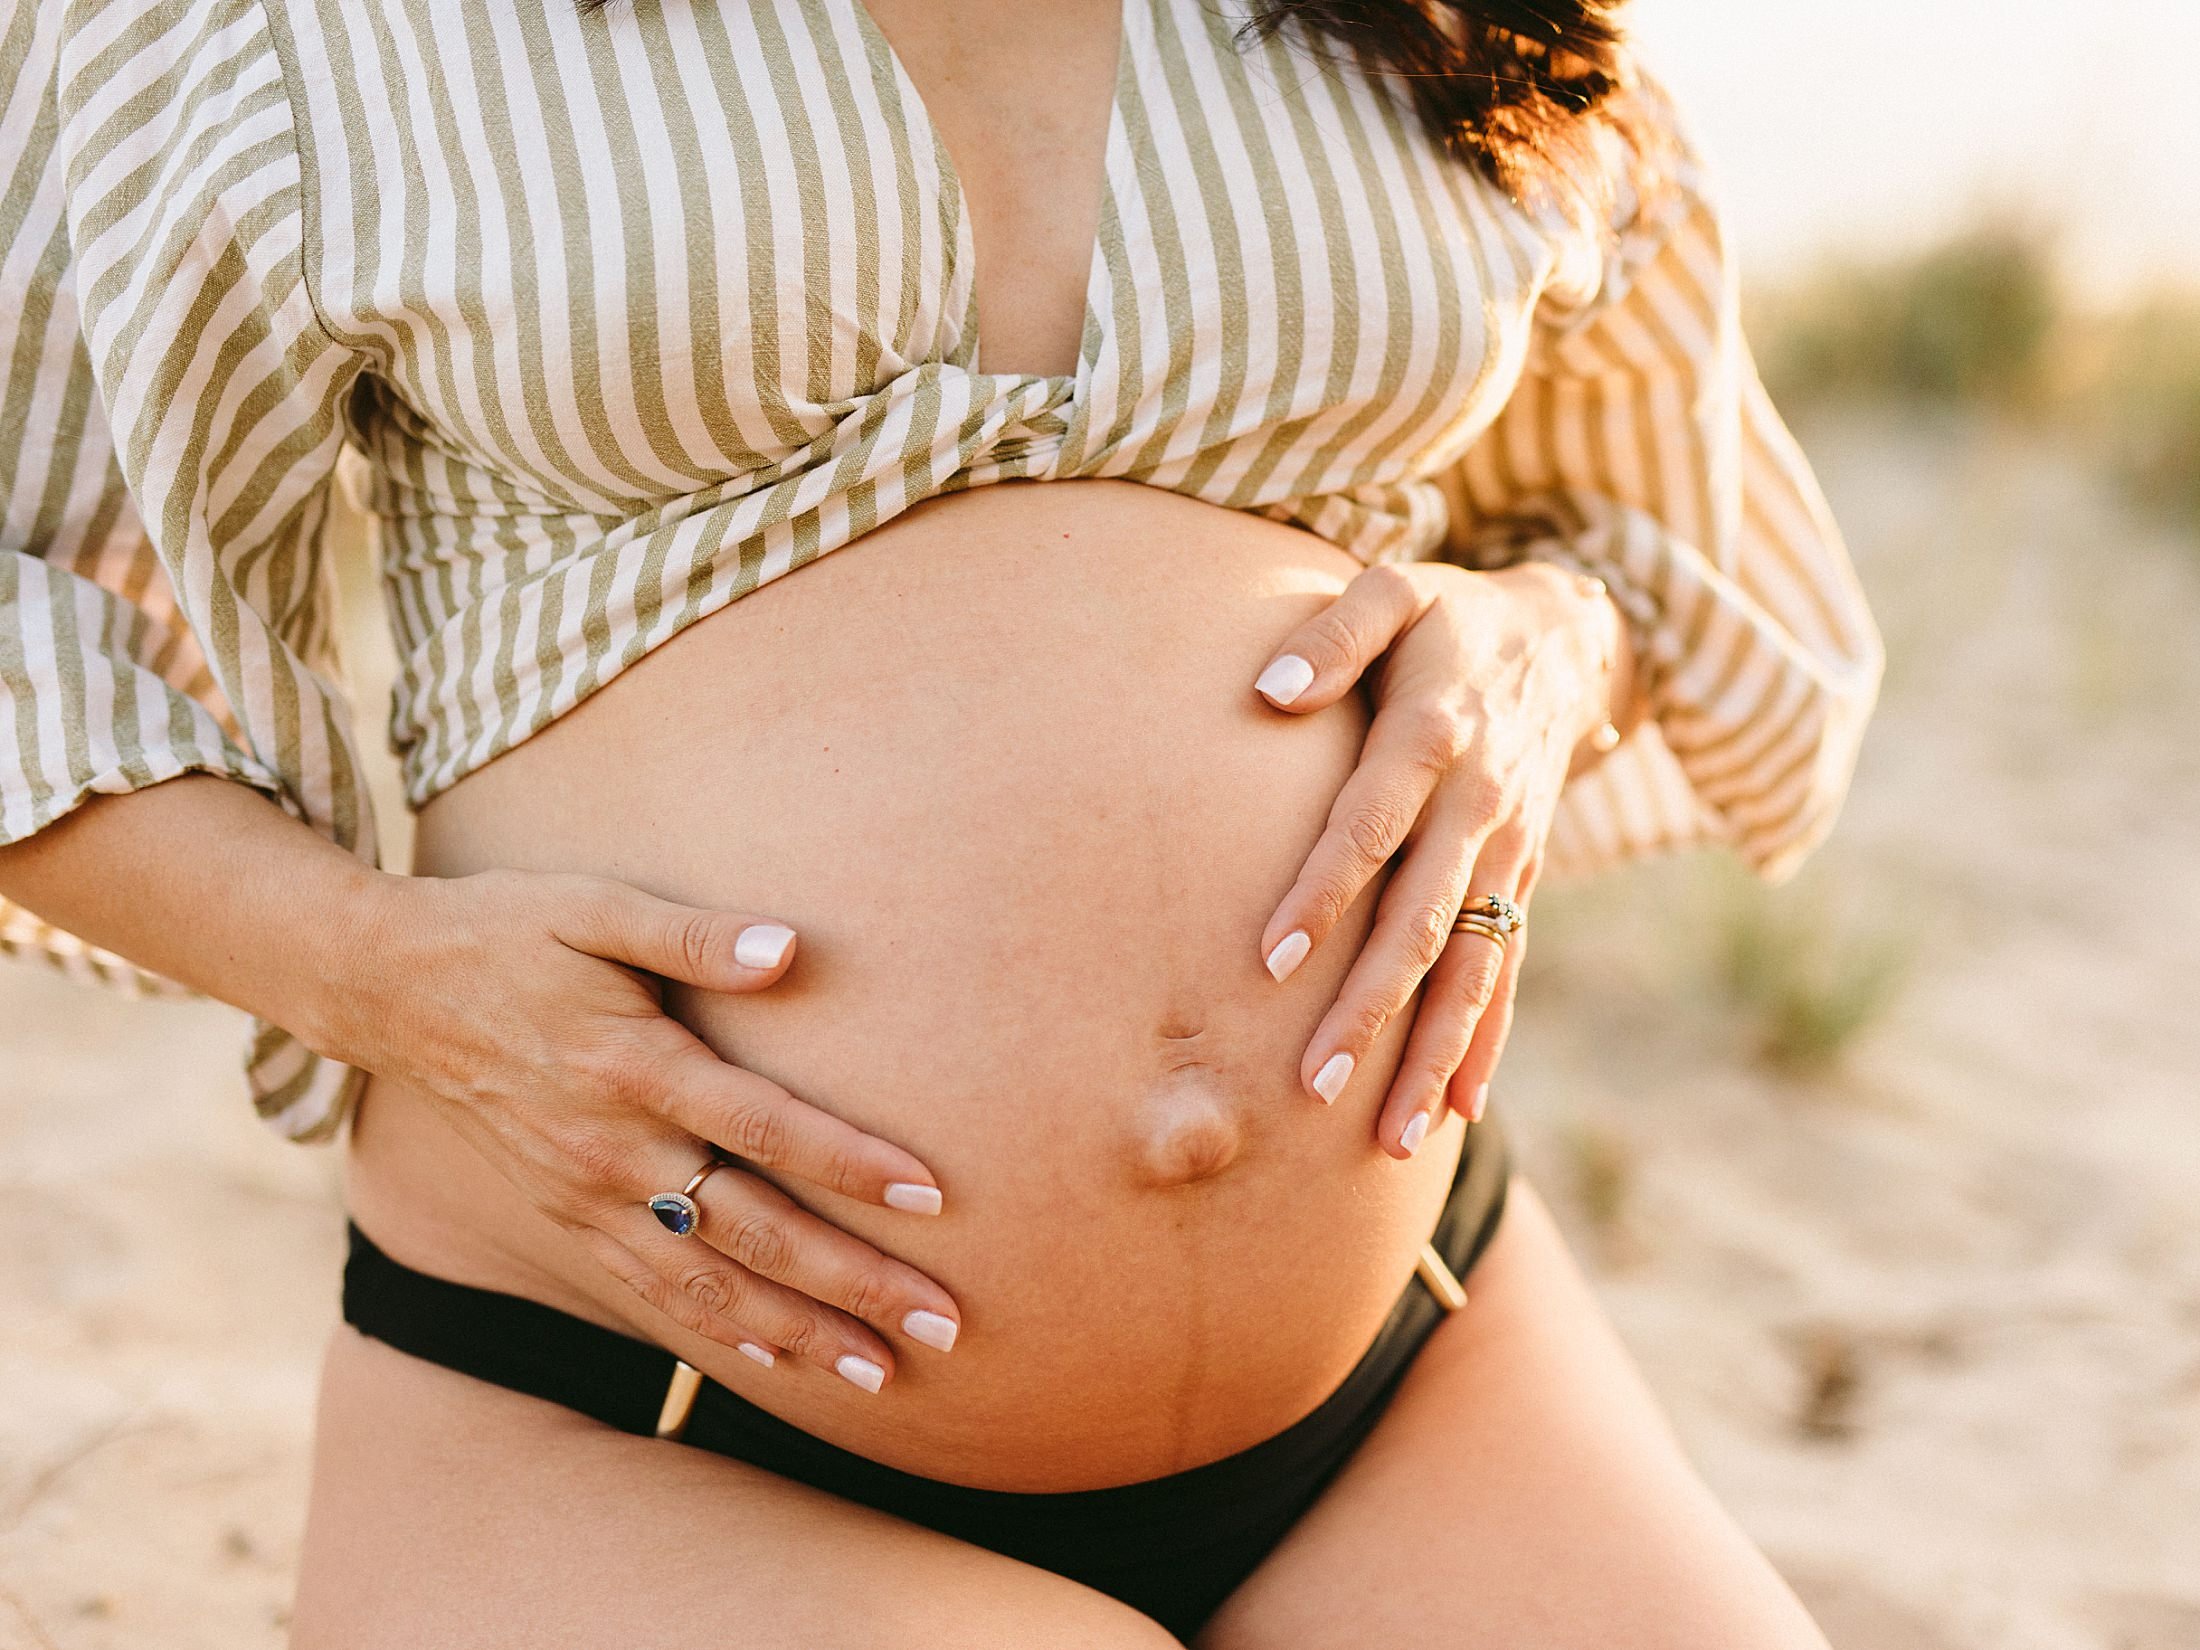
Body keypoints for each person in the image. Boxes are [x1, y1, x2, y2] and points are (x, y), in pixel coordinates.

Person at [0, 0, 1882, 1642]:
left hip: (1409, 1366)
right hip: (643, 1400)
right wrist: (377, 973)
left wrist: (1551, 650)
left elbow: (1654, 535)